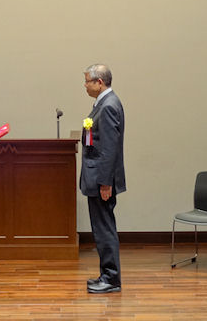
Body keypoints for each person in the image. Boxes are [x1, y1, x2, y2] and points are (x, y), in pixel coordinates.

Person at [80, 64, 126, 294]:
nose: (85, 85)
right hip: (99, 177)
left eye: (87, 81)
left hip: (101, 180)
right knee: (101, 228)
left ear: (99, 83)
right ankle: (105, 274)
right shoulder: (105, 103)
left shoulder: (108, 106)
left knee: (104, 228)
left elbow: (110, 148)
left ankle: (111, 278)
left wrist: (106, 182)